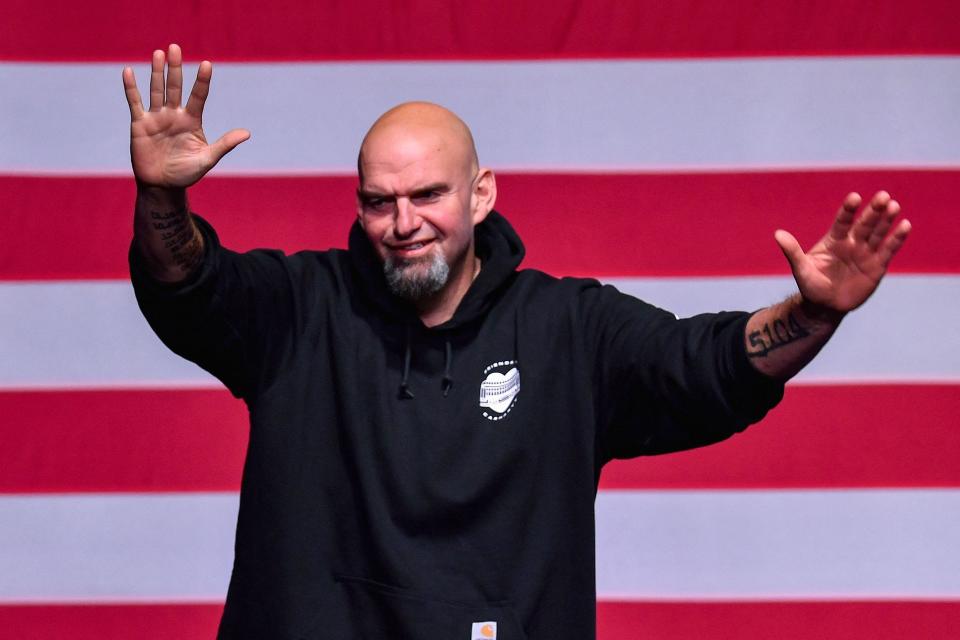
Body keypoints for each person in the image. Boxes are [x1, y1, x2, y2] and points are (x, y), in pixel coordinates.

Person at [123, 45, 911, 640]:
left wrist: (812, 315)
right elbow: (187, 285)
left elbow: (704, 368)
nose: (404, 224)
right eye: (379, 201)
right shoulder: (297, 309)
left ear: (482, 193)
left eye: (428, 194)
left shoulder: (569, 330)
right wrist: (162, 193)